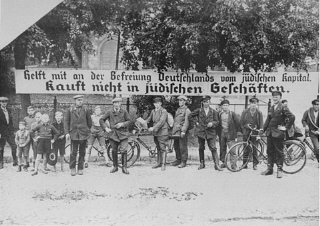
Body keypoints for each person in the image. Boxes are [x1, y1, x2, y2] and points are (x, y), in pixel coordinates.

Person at [262, 91, 295, 178]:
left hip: (278, 133)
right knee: (269, 151)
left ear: (280, 97)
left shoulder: (283, 107)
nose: (275, 98)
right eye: (274, 97)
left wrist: (286, 127)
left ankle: (280, 170)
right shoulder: (271, 107)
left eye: (277, 97)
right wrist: (263, 129)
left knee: (279, 152)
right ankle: (270, 169)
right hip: (269, 133)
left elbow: (292, 117)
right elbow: (268, 120)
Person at [99, 97, 131, 174]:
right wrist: (106, 128)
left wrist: (122, 124)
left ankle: (124, 167)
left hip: (123, 133)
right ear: (113, 104)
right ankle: (115, 167)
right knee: (114, 150)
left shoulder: (124, 111)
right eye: (115, 103)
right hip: (113, 134)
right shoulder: (109, 112)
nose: (116, 104)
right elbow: (101, 120)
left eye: (118, 103)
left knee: (124, 149)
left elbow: (129, 121)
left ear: (120, 104)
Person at [189, 96, 222, 171]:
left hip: (211, 132)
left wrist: (212, 123)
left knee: (213, 148)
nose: (206, 103)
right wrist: (196, 123)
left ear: (209, 102)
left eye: (207, 102)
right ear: (202, 103)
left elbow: (217, 121)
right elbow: (190, 116)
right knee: (201, 148)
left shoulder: (214, 111)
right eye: (204, 102)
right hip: (201, 132)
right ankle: (202, 163)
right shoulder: (199, 110)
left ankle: (216, 164)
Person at [64, 95, 92, 176]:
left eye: (81, 100)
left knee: (82, 152)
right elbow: (66, 122)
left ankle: (80, 168)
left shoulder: (86, 110)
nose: (81, 101)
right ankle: (72, 168)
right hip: (74, 134)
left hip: (83, 134)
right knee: (73, 152)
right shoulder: (70, 110)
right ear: (75, 101)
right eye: (79, 100)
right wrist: (67, 133)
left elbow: (89, 122)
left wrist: (86, 130)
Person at [145, 97, 169, 170]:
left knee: (162, 148)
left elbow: (161, 122)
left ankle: (163, 164)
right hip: (156, 132)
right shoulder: (153, 111)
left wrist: (153, 128)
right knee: (158, 147)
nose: (156, 105)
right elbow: (149, 119)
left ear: (160, 103)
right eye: (155, 103)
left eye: (158, 103)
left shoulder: (164, 111)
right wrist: (143, 122)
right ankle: (158, 163)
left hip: (162, 132)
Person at [240, 97, 263, 170]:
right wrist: (246, 126)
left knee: (255, 148)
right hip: (246, 133)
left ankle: (255, 164)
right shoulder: (245, 112)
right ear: (250, 104)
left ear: (257, 104)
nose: (253, 105)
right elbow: (241, 123)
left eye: (255, 103)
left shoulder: (259, 113)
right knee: (246, 148)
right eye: (252, 103)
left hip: (255, 133)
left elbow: (261, 125)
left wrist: (259, 135)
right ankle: (244, 164)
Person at [217, 99, 241, 168]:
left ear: (229, 106)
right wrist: (218, 134)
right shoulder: (220, 114)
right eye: (224, 105)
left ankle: (233, 165)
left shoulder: (232, 114)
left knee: (232, 150)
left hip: (231, 134)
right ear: (221, 106)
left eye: (227, 105)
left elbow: (237, 124)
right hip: (222, 134)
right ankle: (224, 163)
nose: (225, 107)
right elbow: (218, 124)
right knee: (222, 149)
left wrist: (237, 135)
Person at [170, 95, 191, 168]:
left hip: (181, 131)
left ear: (185, 102)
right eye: (179, 100)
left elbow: (186, 122)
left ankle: (183, 161)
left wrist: (183, 131)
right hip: (176, 130)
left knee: (183, 146)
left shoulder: (187, 110)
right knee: (176, 146)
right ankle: (178, 159)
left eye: (181, 100)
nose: (180, 102)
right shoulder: (178, 109)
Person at [0, 96, 17, 169]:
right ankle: (1, 162)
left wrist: (12, 131)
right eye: (2, 102)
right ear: (0, 103)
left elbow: (11, 122)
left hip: (9, 132)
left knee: (14, 146)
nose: (4, 103)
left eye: (5, 102)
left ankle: (15, 160)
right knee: (1, 147)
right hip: (2, 132)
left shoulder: (8, 110)